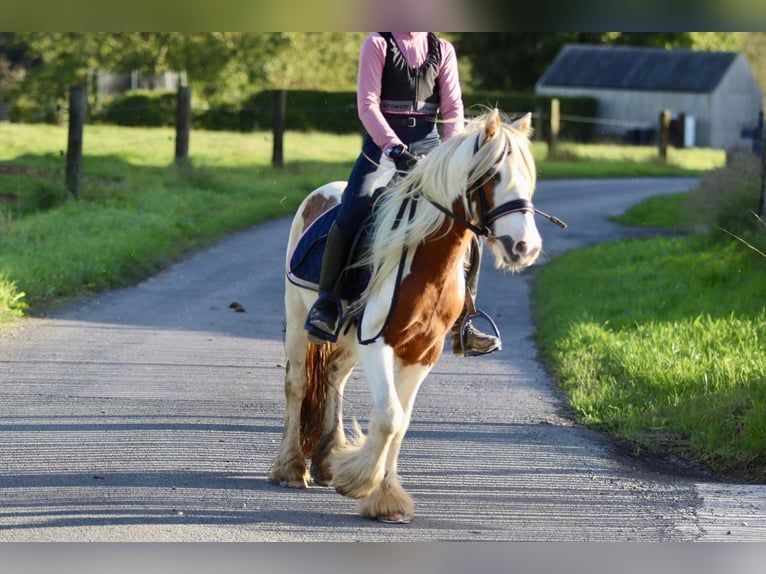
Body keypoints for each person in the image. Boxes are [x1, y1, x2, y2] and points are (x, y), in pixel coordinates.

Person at [305, 32, 499, 357]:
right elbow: (367, 106)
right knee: (354, 210)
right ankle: (329, 303)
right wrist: (393, 147)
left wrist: (449, 153)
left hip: (430, 147)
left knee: (466, 220)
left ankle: (463, 318)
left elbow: (453, 109)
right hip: (380, 149)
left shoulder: (444, 50)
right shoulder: (377, 44)